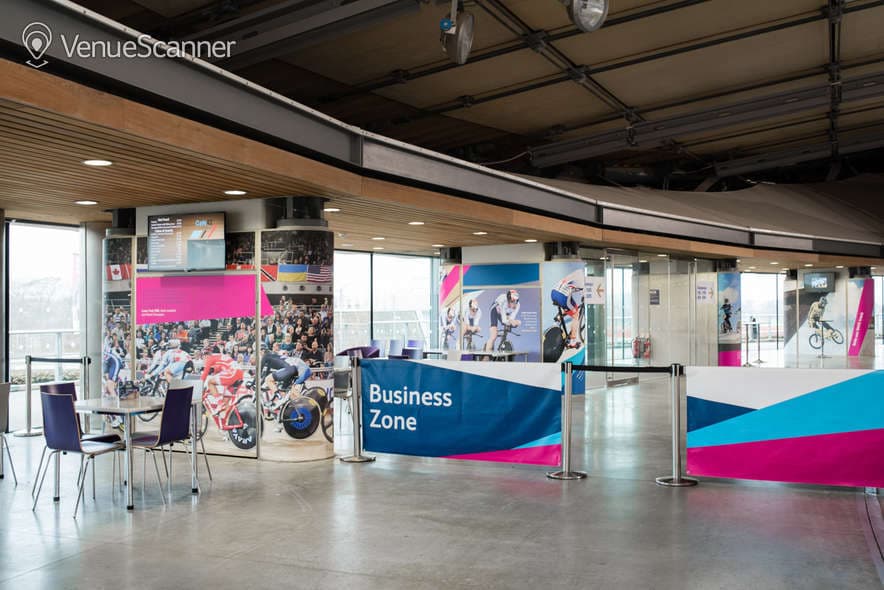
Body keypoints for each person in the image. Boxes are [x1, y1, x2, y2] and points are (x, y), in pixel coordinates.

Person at [551, 270, 584, 349]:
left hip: (553, 293)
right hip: (562, 296)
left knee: (570, 306)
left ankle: (558, 319)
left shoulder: (576, 273)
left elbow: (574, 288)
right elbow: (582, 291)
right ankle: (573, 342)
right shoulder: (583, 280)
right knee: (576, 315)